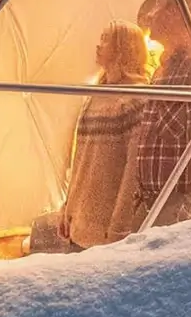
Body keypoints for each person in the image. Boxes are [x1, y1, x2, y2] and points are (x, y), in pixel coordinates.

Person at [110, 0, 191, 236]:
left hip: (178, 215)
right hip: (151, 208)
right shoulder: (163, 70)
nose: (149, 16)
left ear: (176, 12)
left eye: (157, 7)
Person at [58, 20, 149, 249]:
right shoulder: (95, 95)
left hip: (106, 232)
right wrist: (67, 207)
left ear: (124, 48)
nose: (99, 46)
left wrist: (120, 227)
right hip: (79, 225)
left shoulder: (137, 99)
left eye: (106, 39)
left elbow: (132, 172)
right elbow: (80, 160)